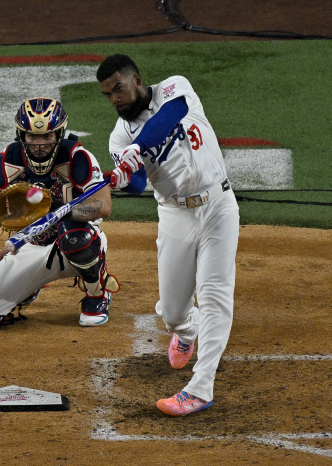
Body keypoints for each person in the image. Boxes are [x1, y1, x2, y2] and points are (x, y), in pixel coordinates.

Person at [96, 54, 240, 416]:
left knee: (214, 294)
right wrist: (127, 176)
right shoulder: (119, 136)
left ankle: (200, 387)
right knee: (174, 313)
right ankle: (186, 332)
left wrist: (137, 150)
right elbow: (141, 182)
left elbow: (167, 118)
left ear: (137, 80)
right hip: (176, 215)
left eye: (120, 89)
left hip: (219, 205)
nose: (116, 99)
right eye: (108, 95)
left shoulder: (175, 88)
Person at [0, 97, 119, 329]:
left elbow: (103, 206)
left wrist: (60, 210)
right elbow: (18, 216)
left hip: (79, 240)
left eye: (47, 136)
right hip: (34, 245)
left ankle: (97, 293)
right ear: (21, 135)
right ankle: (28, 286)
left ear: (59, 134)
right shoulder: (7, 163)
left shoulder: (78, 158)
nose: (40, 144)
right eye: (33, 136)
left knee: (74, 235)